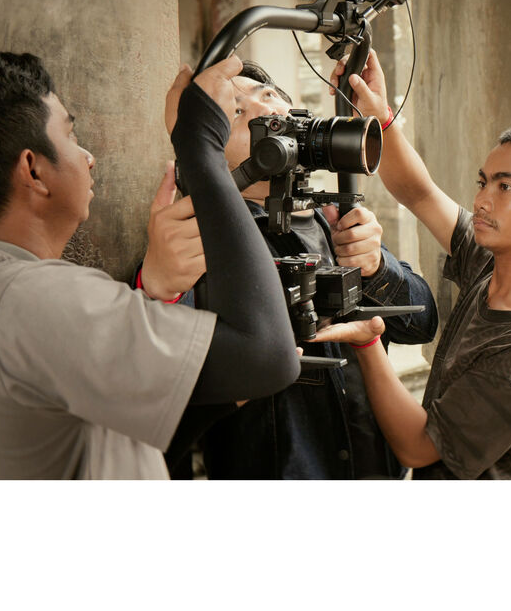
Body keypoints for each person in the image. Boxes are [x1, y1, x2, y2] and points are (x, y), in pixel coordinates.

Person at [0, 51, 300, 479]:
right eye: (69, 134)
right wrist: (200, 149)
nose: (88, 156)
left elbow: (99, 443)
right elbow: (267, 358)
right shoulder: (34, 298)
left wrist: (162, 305)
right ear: (33, 171)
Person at [152, 59, 439, 480]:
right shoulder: (200, 241)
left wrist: (376, 267)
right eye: (236, 110)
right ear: (208, 142)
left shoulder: (332, 219)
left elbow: (423, 325)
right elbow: (170, 391)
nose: (265, 110)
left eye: (269, 95)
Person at [316, 49, 511, 480]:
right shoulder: (496, 261)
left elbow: (418, 447)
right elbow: (420, 193)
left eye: (505, 187)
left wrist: (368, 344)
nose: (482, 201)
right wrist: (379, 117)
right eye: (484, 182)